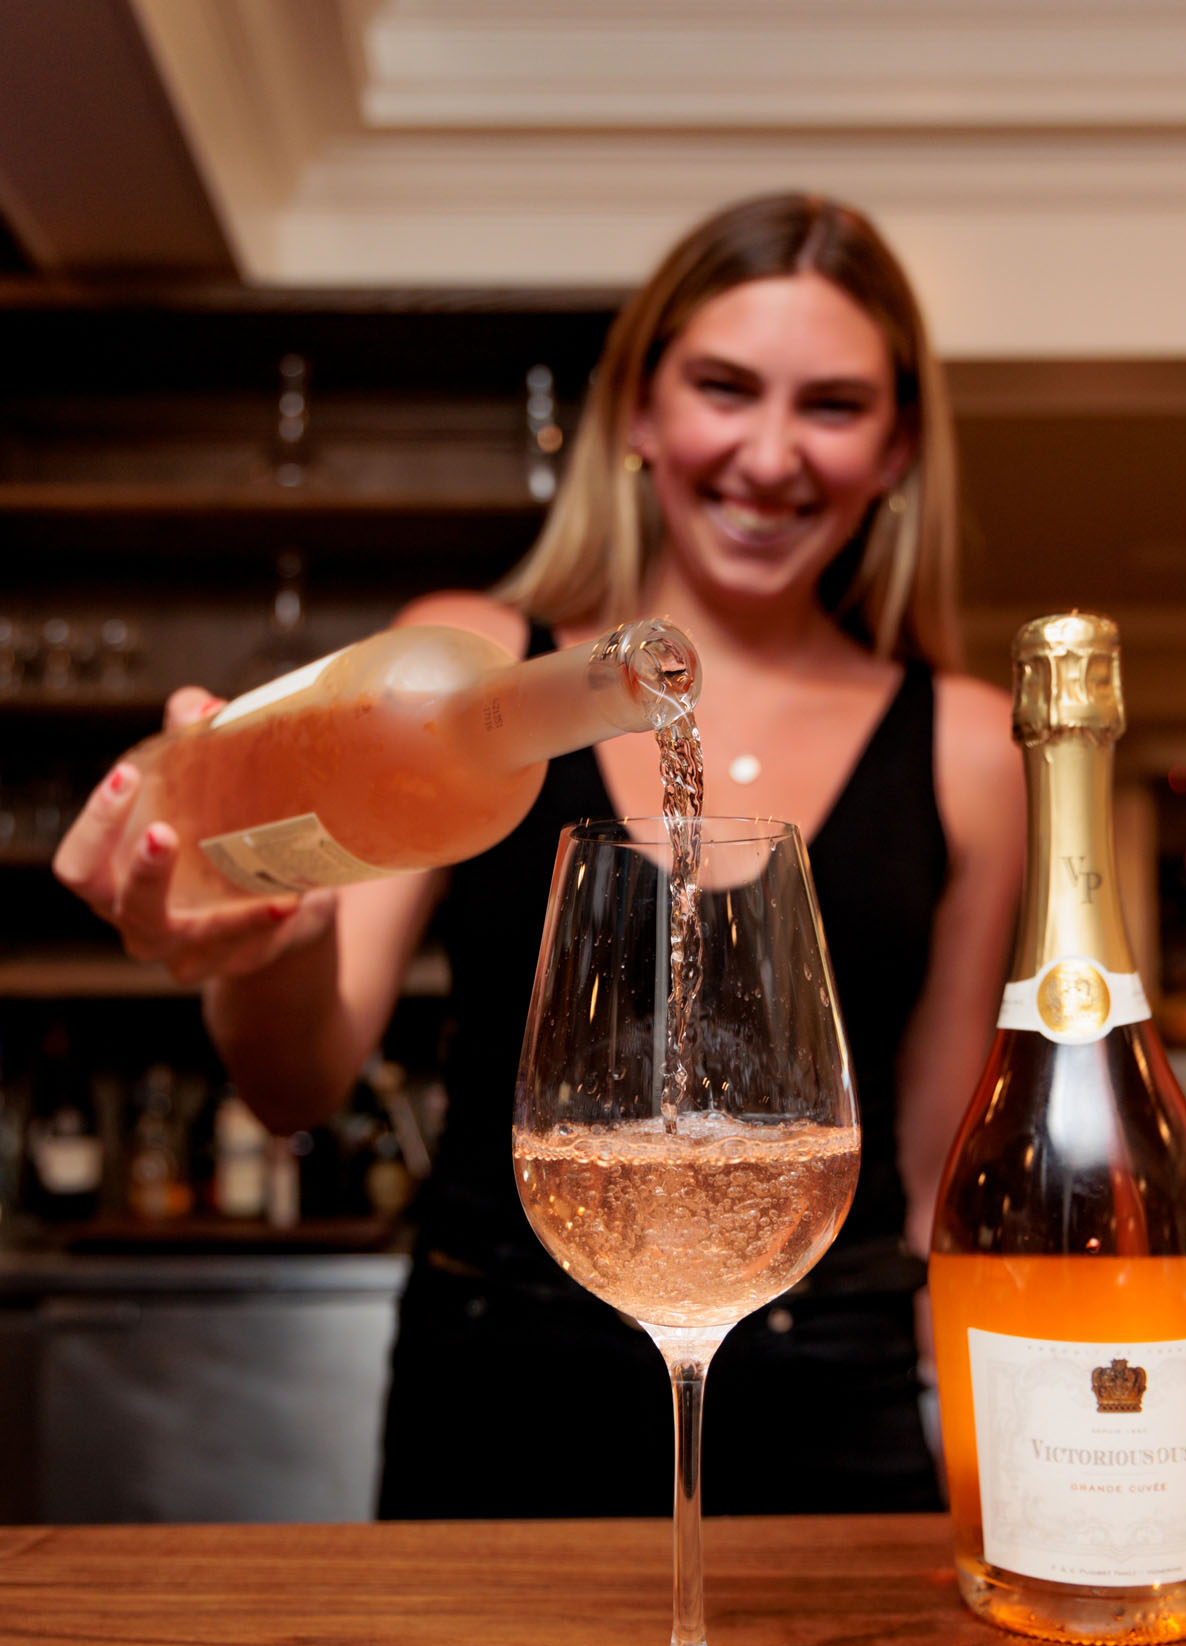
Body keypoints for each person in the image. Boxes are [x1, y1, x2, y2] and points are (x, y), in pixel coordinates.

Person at [53, 191, 1024, 1519]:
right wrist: (273, 931)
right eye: (724, 388)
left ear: (899, 446)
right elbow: (295, 1081)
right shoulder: (475, 677)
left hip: (833, 1406)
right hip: (499, 1384)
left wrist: (991, 1454)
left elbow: (934, 1176)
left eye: (834, 406)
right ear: (639, 411)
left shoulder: (968, 747)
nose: (770, 454)